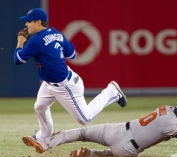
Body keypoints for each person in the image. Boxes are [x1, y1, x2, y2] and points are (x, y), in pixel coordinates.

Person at [14, 8, 127, 139]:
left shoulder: (35, 41)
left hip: (65, 85)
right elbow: (71, 54)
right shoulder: (57, 34)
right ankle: (45, 134)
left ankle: (112, 92)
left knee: (84, 119)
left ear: (39, 22)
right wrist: (57, 44)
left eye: (29, 22)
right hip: (49, 82)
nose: (26, 25)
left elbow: (18, 60)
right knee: (40, 107)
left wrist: (21, 41)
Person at [22, 99, 177, 157]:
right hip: (127, 147)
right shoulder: (173, 123)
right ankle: (94, 155)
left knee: (80, 132)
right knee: (115, 154)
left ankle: (45, 142)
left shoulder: (167, 110)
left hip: (116, 129)